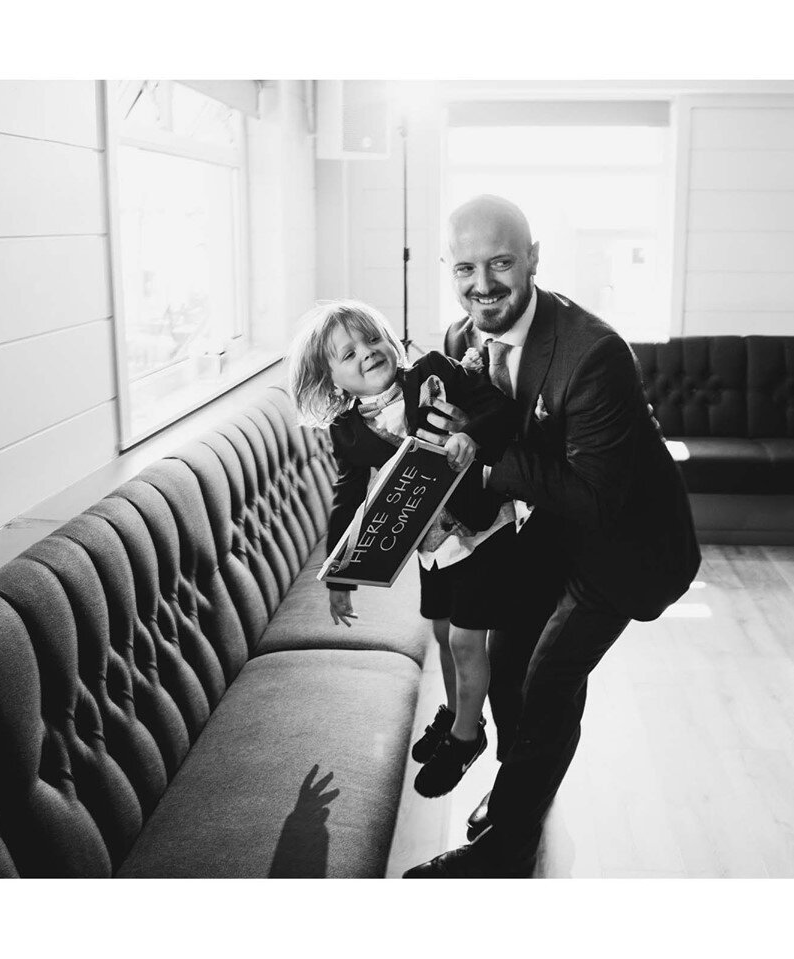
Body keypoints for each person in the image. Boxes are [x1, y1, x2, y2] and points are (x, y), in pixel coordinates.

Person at [403, 195, 701, 878]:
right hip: (544, 531)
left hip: (622, 545)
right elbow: (470, 443)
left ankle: (506, 849)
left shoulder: (593, 354)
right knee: (509, 669)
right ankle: (519, 794)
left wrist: (473, 452)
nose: (483, 284)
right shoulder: (458, 342)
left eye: (502, 262)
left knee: (544, 682)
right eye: (466, 268)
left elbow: (594, 501)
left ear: (533, 259)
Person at [287, 299, 525, 797]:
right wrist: (340, 575)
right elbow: (348, 497)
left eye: (372, 339)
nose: (366, 353)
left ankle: (467, 736)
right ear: (334, 381)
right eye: (347, 353)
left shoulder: (434, 372)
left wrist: (471, 437)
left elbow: (499, 408)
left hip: (482, 530)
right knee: (441, 632)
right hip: (431, 545)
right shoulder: (348, 430)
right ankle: (459, 712)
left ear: (389, 341)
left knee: (465, 640)